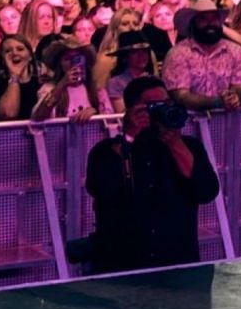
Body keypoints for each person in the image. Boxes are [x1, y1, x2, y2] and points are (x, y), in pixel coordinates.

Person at [83, 77, 220, 273]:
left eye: (165, 105)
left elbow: (206, 192)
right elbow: (103, 189)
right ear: (131, 111)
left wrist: (175, 143)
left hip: (177, 267)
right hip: (123, 270)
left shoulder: (190, 146)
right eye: (152, 106)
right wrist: (129, 136)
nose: (160, 112)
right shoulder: (106, 151)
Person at [162, 0, 241, 111]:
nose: (210, 23)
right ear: (193, 23)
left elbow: (240, 87)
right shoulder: (178, 54)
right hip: (189, 125)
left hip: (228, 122)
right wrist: (216, 101)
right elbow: (181, 97)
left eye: (214, 19)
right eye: (203, 19)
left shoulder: (237, 52)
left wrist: (235, 97)